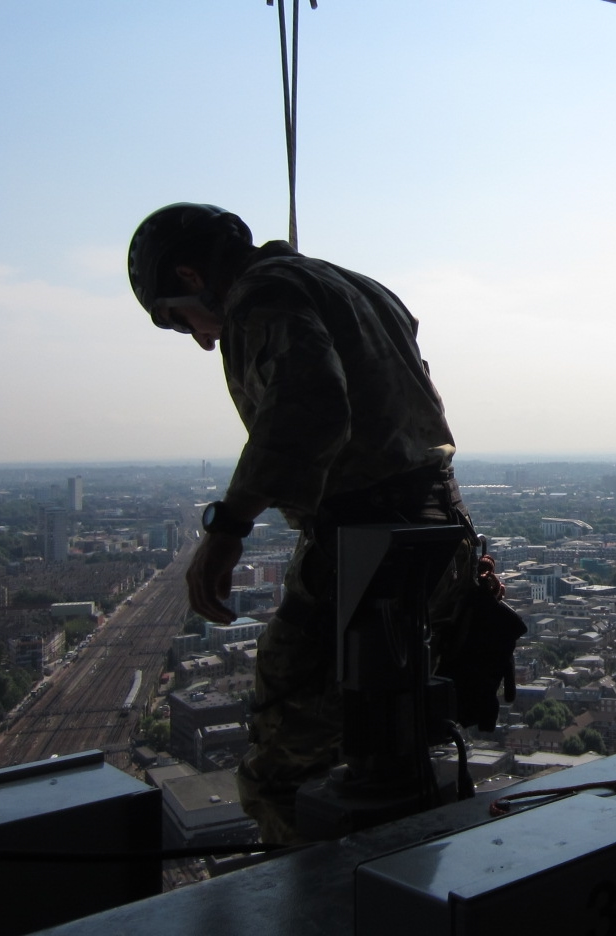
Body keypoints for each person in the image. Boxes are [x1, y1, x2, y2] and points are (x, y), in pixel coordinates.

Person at [128, 203, 490, 842]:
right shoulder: (356, 286)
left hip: (366, 546)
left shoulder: (262, 296)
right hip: (439, 530)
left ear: (188, 275)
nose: (203, 338)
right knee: (390, 738)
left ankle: (304, 919)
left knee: (284, 761)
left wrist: (227, 527)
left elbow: (311, 407)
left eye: (178, 320)